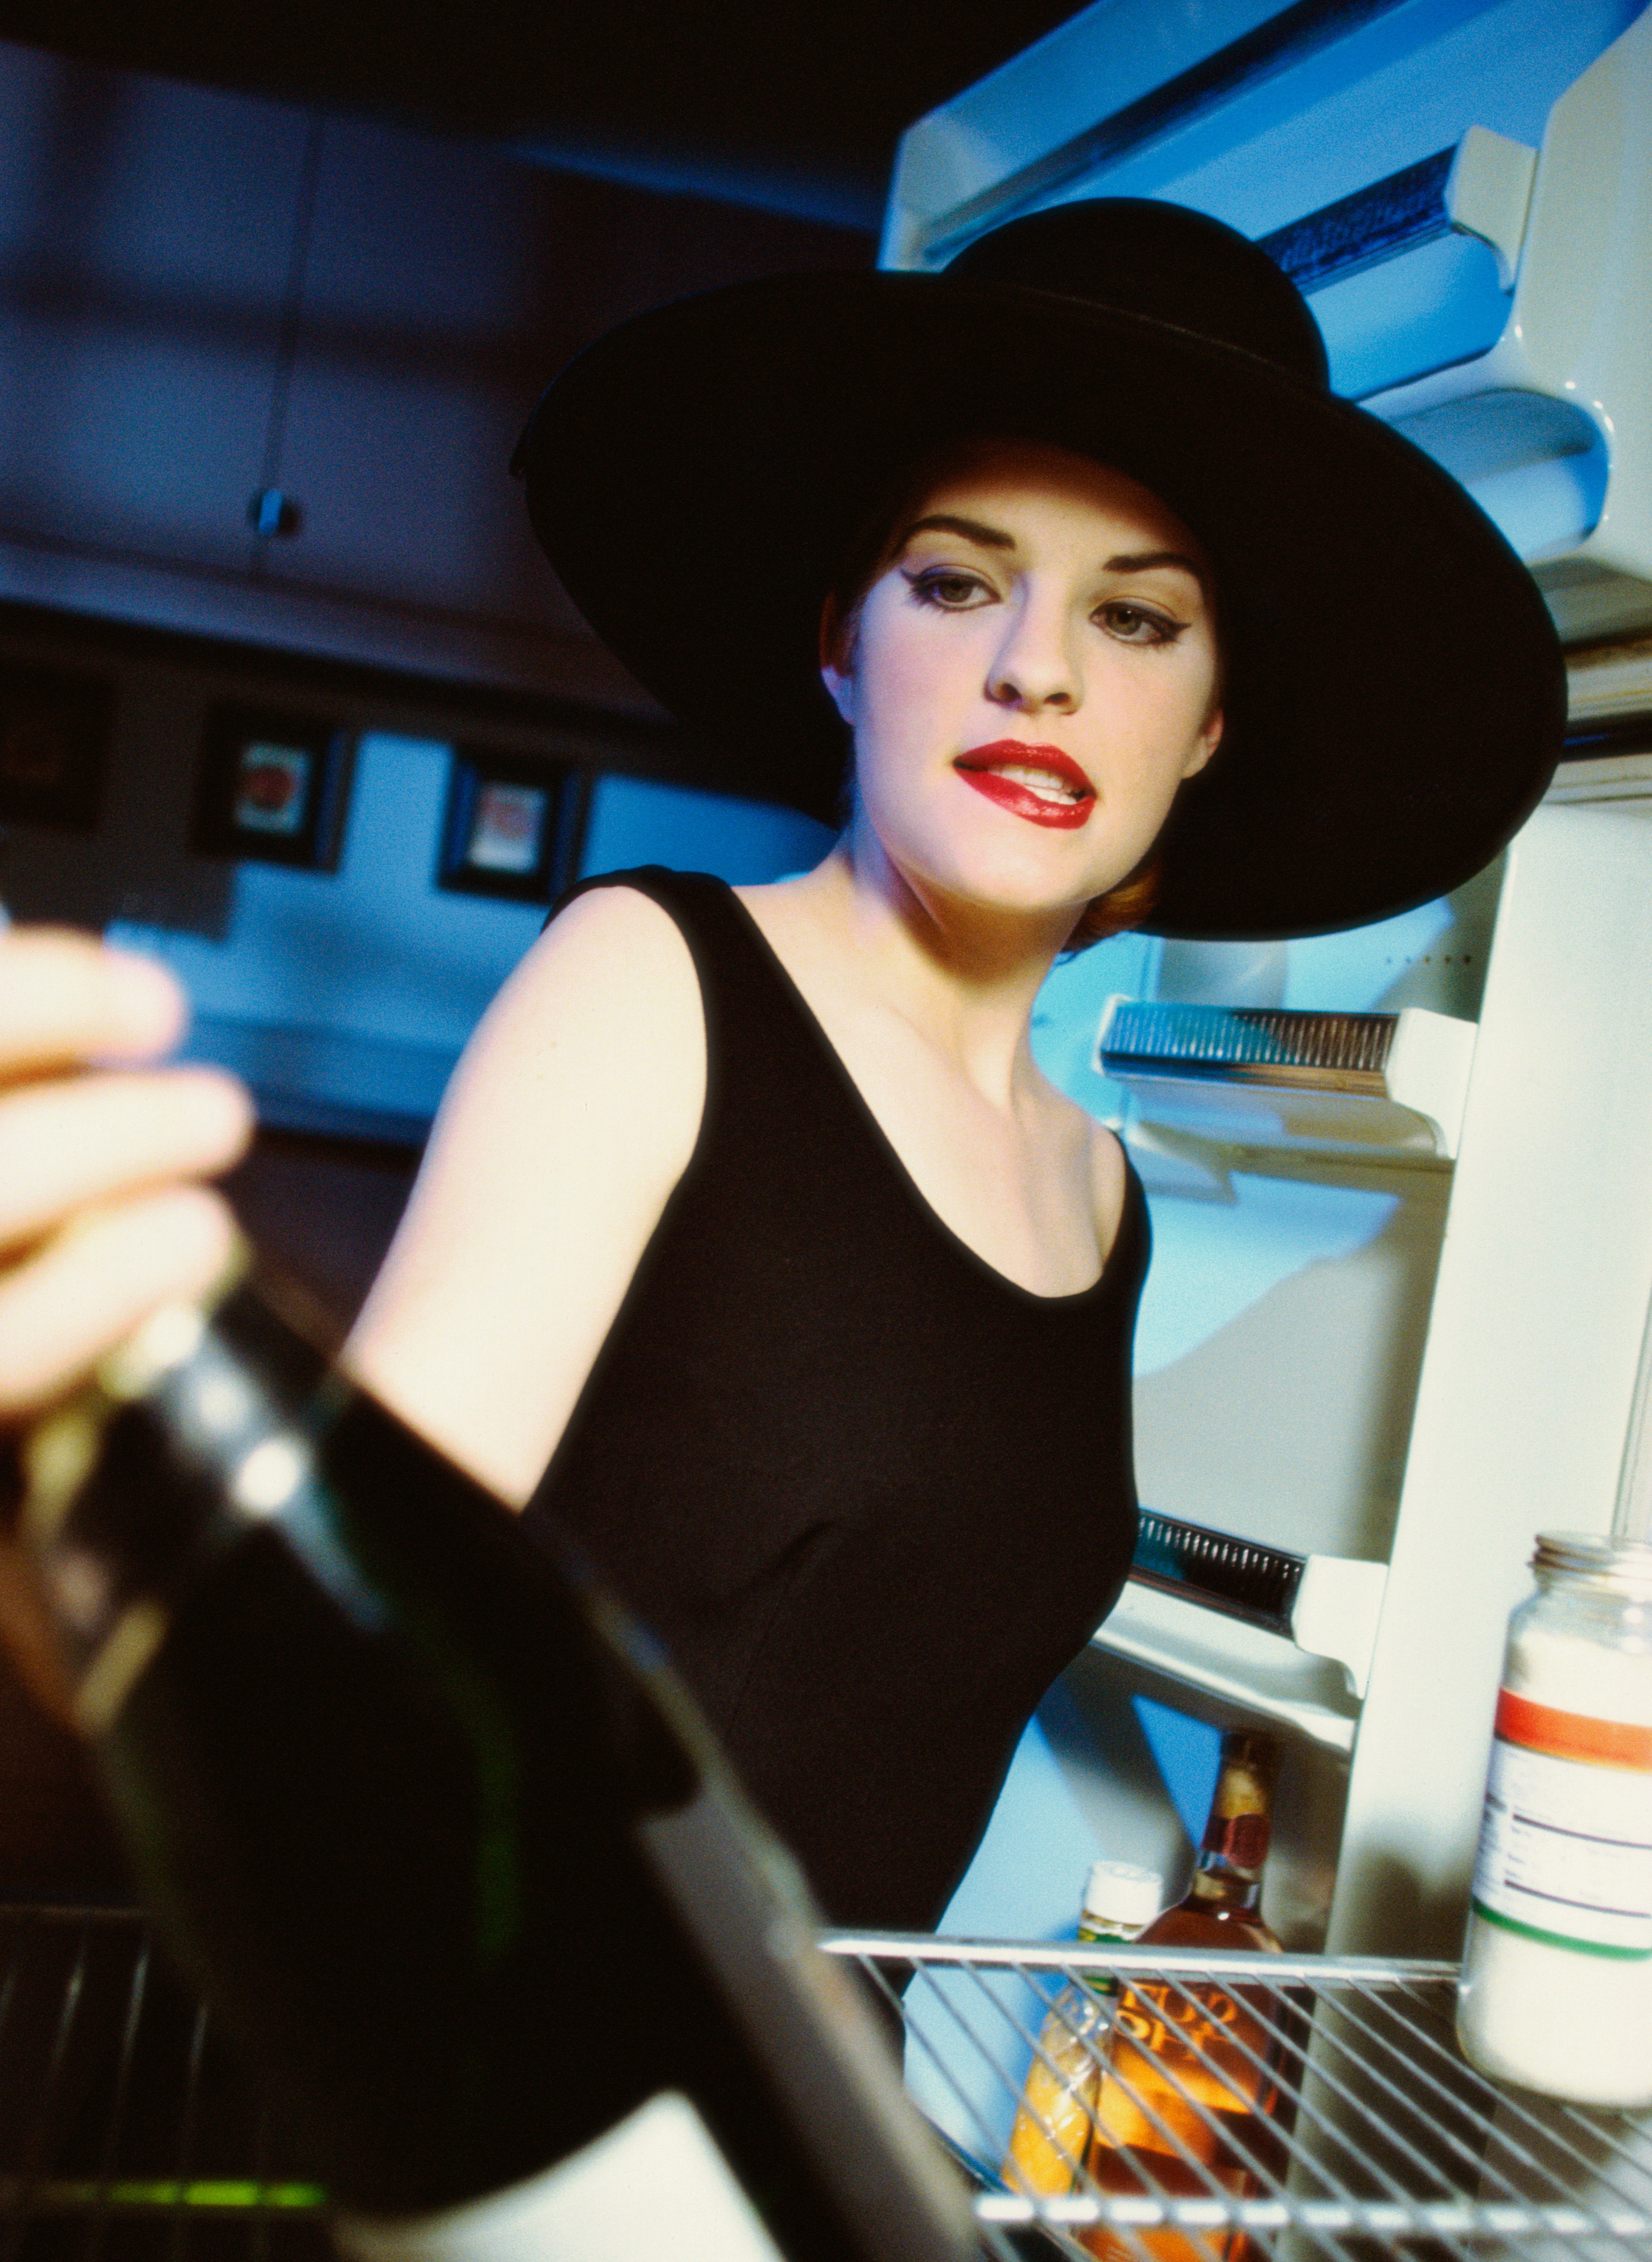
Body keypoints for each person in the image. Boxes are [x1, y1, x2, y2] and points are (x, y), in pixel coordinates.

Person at [0, 201, 1564, 1928]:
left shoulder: (1100, 1193)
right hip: (499, 2053)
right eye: (956, 582)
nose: (1034, 668)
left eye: (1136, 619)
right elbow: (307, 1655)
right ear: (838, 640)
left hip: (811, 2081)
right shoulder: (651, 984)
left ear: (1204, 726)